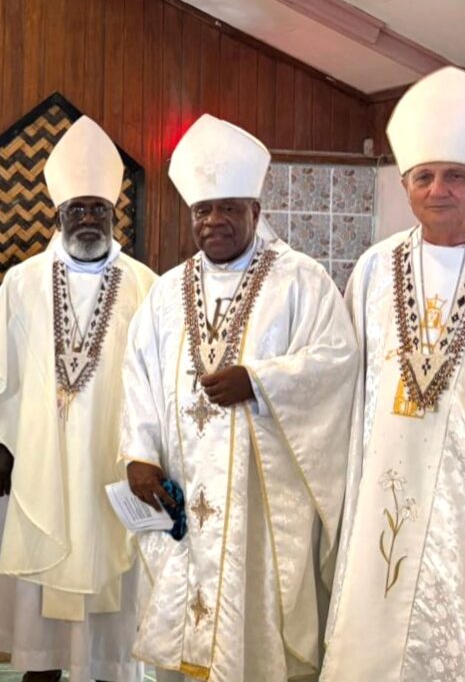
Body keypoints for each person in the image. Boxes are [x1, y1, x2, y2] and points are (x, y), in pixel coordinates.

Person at [119, 114, 358, 681]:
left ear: (256, 209)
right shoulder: (166, 293)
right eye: (204, 210)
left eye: (229, 207)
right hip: (181, 486)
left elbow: (336, 364)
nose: (215, 221)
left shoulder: (302, 282)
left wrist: (260, 382)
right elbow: (140, 379)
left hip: (260, 503)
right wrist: (139, 456)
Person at [322, 66, 465, 681]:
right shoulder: (373, 266)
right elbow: (344, 379)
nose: (438, 189)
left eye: (456, 176)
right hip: (389, 473)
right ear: (408, 184)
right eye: (425, 176)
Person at [0, 117, 156, 682]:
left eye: (99, 208)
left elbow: (157, 379)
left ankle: (103, 669)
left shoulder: (146, 287)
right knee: (39, 591)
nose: (89, 219)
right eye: (78, 210)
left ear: (115, 214)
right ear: (58, 216)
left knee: (109, 572)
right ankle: (41, 669)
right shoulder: (22, 283)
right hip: (36, 458)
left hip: (111, 460)